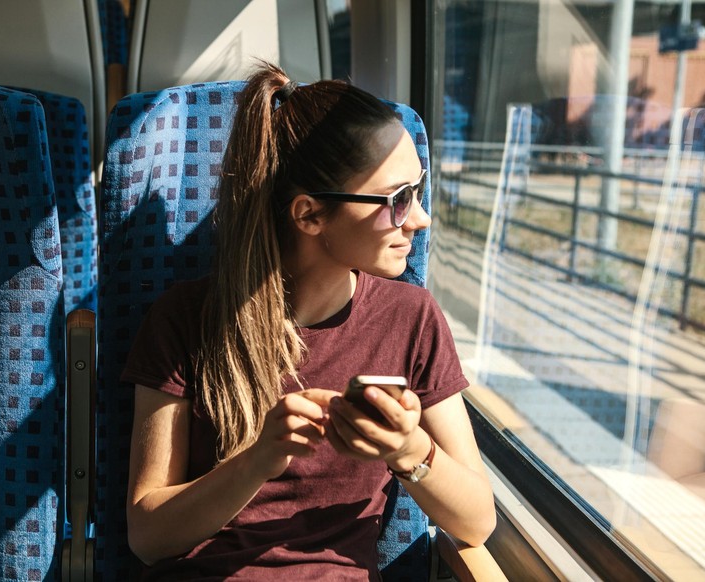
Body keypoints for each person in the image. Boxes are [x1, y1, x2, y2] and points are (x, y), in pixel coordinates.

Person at [122, 62, 496, 580]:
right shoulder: (186, 319)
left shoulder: (411, 318)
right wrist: (257, 460)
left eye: (419, 190)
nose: (420, 219)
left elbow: (477, 521)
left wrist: (409, 449)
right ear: (309, 215)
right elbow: (147, 537)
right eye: (397, 201)